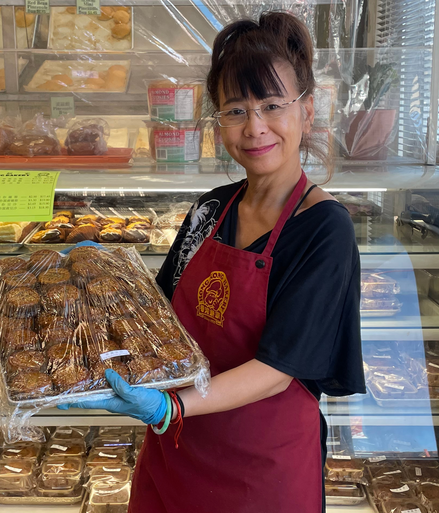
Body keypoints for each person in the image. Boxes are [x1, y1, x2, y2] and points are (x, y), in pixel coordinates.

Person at [59, 11, 366, 513]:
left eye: (271, 105)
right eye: (236, 109)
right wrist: (107, 275)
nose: (255, 127)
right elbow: (158, 316)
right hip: (176, 453)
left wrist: (170, 405)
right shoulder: (210, 208)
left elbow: (277, 369)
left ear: (307, 112)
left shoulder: (322, 228)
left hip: (260, 470)